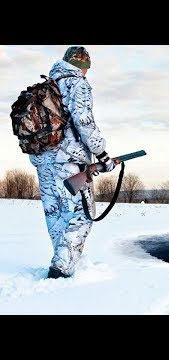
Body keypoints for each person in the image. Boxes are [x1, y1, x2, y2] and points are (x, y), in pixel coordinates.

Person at [29, 46, 116, 279]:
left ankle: (61, 259)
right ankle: (62, 268)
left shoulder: (47, 85)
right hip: (69, 161)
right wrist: (102, 154)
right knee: (81, 216)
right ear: (83, 66)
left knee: (55, 213)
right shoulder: (78, 84)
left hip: (43, 159)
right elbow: (84, 123)